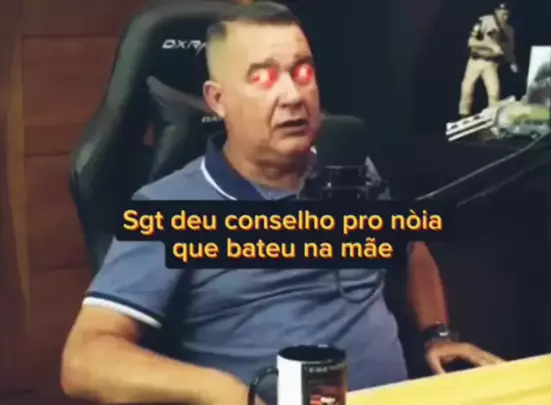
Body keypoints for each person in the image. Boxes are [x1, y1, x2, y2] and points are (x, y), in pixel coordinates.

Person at [60, 3, 504, 405]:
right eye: (263, 78)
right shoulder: (171, 207)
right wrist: (221, 391)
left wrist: (437, 334)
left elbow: (411, 250)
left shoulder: (351, 170)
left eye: (303, 72)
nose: (293, 95)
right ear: (218, 101)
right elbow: (84, 360)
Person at [458, 2, 518, 117]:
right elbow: (471, 42)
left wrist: (513, 63)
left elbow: (509, 52)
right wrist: (491, 45)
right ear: (496, 12)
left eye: (507, 14)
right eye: (502, 14)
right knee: (467, 89)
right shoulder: (484, 22)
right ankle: (463, 115)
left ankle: (491, 115)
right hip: (475, 61)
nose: (505, 17)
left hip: (491, 64)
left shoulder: (509, 31)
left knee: (494, 93)